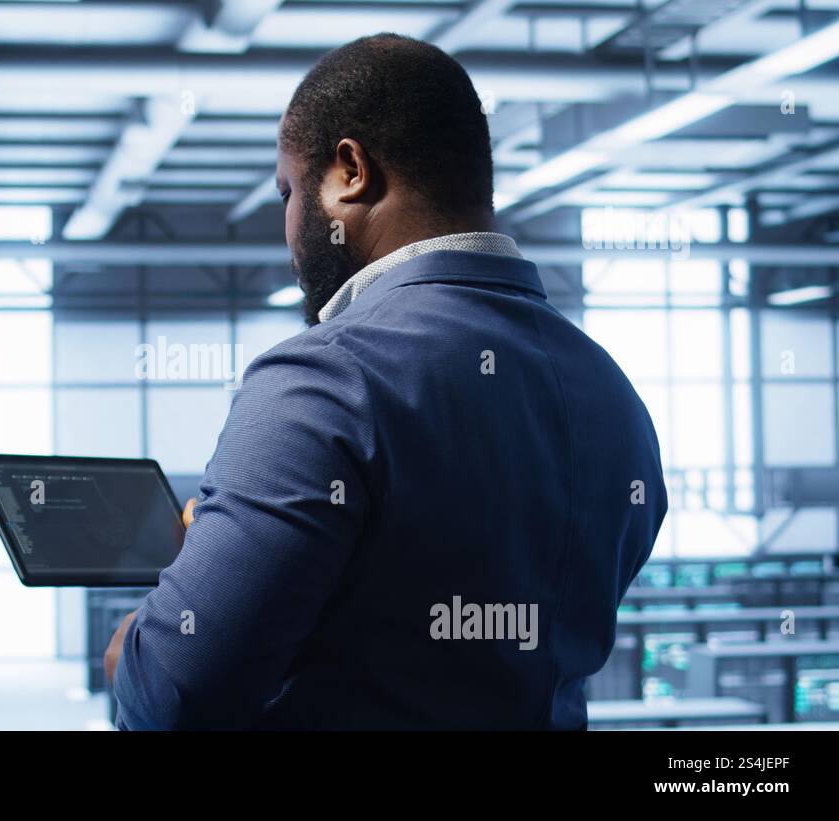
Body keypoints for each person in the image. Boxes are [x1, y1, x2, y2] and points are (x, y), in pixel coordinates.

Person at [105, 33, 666, 730]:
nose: (285, 227)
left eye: (287, 190)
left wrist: (135, 642)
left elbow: (173, 700)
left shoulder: (321, 383)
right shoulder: (614, 396)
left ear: (349, 170)